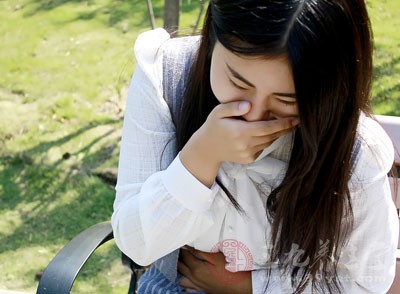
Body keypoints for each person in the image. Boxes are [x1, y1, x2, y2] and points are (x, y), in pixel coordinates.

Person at [111, 0, 399, 293]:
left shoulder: (354, 151)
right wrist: (201, 156)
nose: (253, 115)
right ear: (213, 39)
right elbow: (138, 245)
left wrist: (252, 286)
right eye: (237, 81)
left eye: (286, 100)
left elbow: (367, 280)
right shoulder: (166, 76)